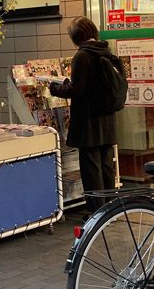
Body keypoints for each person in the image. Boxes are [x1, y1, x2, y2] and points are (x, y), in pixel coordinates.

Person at [50, 17, 121, 212]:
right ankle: (110, 209)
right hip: (107, 120)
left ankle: (96, 213)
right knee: (106, 166)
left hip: (89, 123)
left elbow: (78, 90)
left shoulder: (83, 56)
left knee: (91, 170)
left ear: (76, 37)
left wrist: (56, 88)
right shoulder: (105, 50)